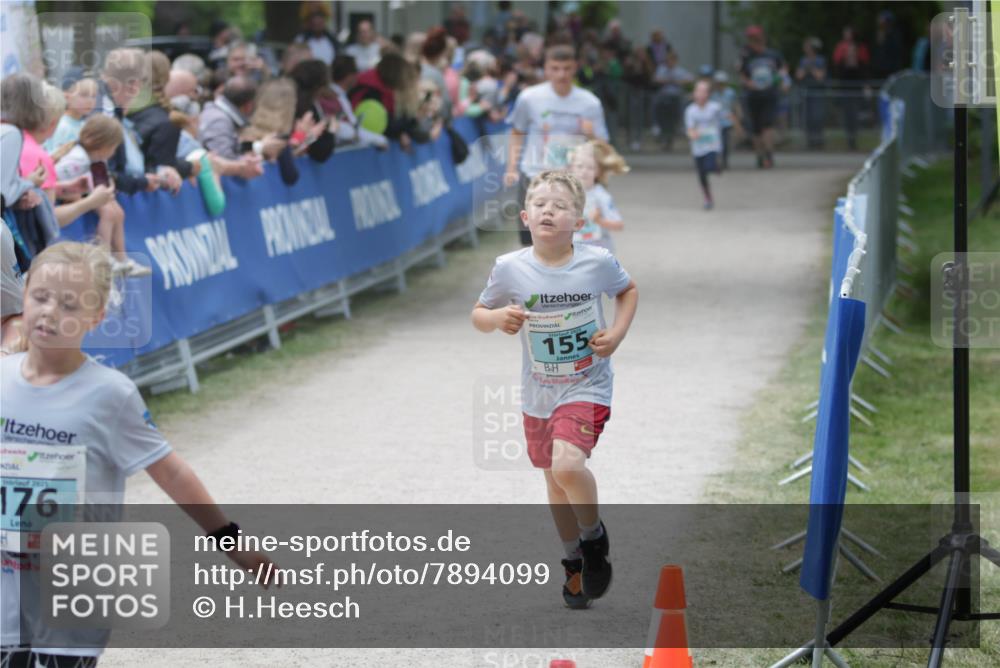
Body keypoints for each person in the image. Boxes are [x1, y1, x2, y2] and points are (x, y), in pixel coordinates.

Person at [0, 241, 276, 666]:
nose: (50, 312)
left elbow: (172, 473)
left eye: (69, 305)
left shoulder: (109, 394)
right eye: (40, 297)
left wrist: (229, 539)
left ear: (97, 317)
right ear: (24, 296)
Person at [471, 170, 638, 610]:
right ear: (526, 216)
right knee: (553, 479)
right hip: (538, 392)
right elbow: (478, 313)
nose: (549, 210)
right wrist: (496, 319)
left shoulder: (596, 261)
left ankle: (594, 539)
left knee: (567, 466)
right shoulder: (510, 268)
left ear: (578, 221)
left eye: (560, 205)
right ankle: (574, 564)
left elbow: (628, 291)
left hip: (588, 384)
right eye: (540, 203)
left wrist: (616, 334)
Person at [503, 44, 609, 246]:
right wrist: (511, 168)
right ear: (546, 69)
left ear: (575, 67)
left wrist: (591, 134)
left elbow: (603, 146)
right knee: (531, 240)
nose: (561, 74)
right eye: (555, 68)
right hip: (534, 175)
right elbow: (517, 132)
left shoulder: (589, 103)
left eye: (567, 68)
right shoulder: (529, 98)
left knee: (570, 240)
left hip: (572, 180)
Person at [54, 114, 150, 277]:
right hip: (68, 199)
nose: (113, 153)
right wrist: (85, 195)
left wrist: (107, 190)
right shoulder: (77, 159)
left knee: (117, 211)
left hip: (85, 195)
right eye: (114, 148)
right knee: (108, 212)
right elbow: (55, 183)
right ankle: (103, 259)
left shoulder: (97, 158)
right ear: (103, 145)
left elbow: (101, 183)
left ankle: (122, 259)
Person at [738, 25, 788, 168]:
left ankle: (769, 154)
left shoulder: (773, 55)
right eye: (751, 39)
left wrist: (783, 81)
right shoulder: (746, 56)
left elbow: (783, 70)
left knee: (767, 126)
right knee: (756, 129)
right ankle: (760, 155)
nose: (753, 42)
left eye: (756, 39)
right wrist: (749, 83)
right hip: (753, 96)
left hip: (769, 94)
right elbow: (741, 75)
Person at [568, 139, 628, 253]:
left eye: (590, 167)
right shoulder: (565, 193)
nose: (584, 171)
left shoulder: (601, 196)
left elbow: (619, 225)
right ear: (571, 167)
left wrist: (599, 220)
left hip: (598, 251)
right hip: (573, 251)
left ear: (599, 171)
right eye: (579, 166)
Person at [328, 55, 389, 149]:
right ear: (350, 76)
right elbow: (353, 131)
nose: (358, 76)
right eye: (356, 73)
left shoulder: (340, 97)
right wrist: (380, 140)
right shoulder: (335, 99)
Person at [685, 79, 724, 210]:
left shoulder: (715, 108)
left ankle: (717, 165)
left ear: (708, 94)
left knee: (710, 165)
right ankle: (708, 198)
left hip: (712, 145)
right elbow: (689, 128)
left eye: (703, 91)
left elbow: (726, 118)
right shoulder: (690, 110)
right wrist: (692, 134)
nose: (700, 94)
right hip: (698, 146)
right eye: (698, 91)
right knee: (702, 175)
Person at [832, 26, 870, 150]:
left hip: (856, 93)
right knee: (847, 116)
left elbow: (864, 75)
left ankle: (854, 139)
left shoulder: (860, 64)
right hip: (845, 93)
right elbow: (838, 74)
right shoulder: (842, 66)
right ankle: (849, 139)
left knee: (855, 115)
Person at [43, 77, 97, 156]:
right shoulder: (60, 125)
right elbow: (54, 156)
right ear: (67, 97)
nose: (90, 101)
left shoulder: (85, 125)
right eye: (84, 95)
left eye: (93, 96)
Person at [650, 50, 693, 150]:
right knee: (657, 106)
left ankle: (680, 127)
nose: (669, 63)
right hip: (663, 97)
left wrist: (677, 81)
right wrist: (667, 80)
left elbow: (690, 78)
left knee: (676, 115)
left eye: (671, 61)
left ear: (675, 61)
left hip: (675, 98)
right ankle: (656, 126)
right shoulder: (662, 69)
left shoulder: (679, 71)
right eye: (668, 61)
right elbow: (655, 79)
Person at [796, 37, 827, 150]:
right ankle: (810, 140)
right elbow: (799, 75)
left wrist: (812, 68)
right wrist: (805, 68)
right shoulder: (803, 60)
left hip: (817, 92)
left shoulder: (820, 60)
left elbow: (820, 76)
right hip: (805, 92)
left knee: (817, 116)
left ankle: (819, 140)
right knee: (807, 117)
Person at [710, 71, 740, 170]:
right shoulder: (712, 94)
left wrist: (737, 116)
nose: (720, 85)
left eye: (722, 83)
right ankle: (715, 161)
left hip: (727, 121)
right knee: (715, 143)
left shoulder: (730, 92)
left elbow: (734, 105)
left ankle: (725, 160)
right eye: (718, 83)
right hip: (715, 122)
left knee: (725, 142)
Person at [294, 2, 337, 66]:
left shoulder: (332, 41)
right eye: (313, 18)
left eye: (320, 17)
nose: (317, 21)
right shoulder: (301, 40)